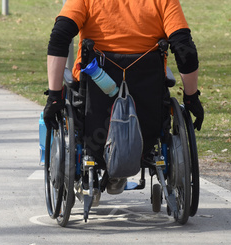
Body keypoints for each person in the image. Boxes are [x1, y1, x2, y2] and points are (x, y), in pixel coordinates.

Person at [43, 0, 204, 193]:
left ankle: (99, 167)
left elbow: (60, 35)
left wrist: (54, 96)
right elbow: (184, 47)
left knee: (74, 86)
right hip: (148, 112)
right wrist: (191, 98)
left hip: (94, 109)